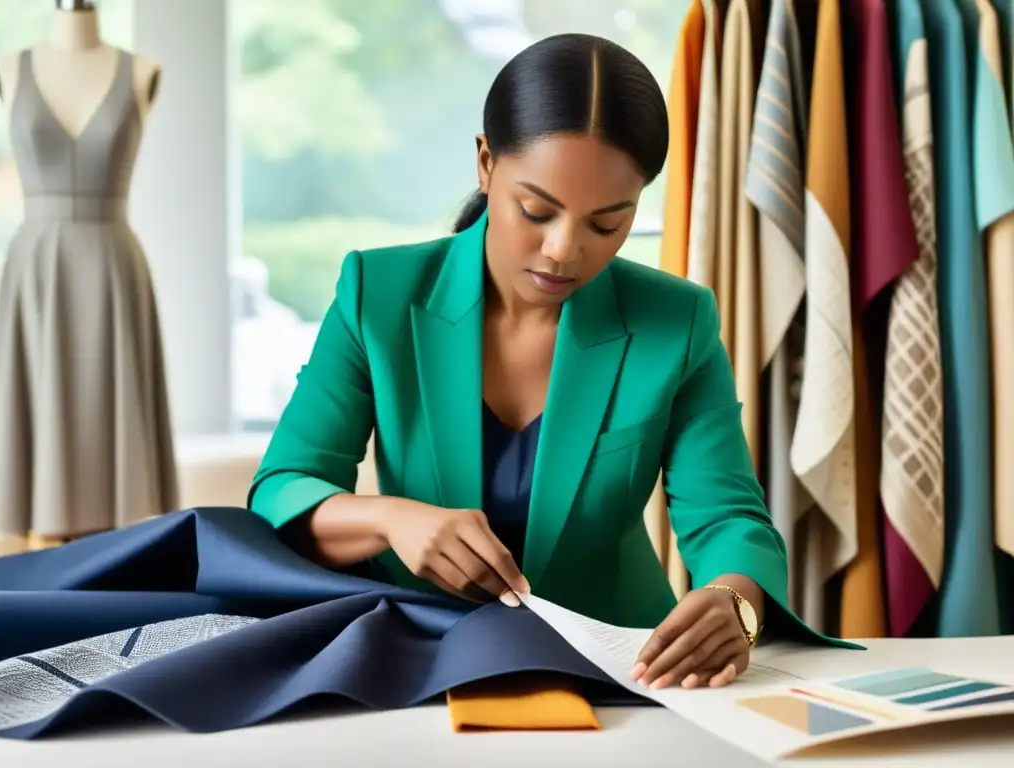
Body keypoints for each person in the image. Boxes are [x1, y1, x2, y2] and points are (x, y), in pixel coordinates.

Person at [249, 33, 833, 693]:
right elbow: (285, 486)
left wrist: (736, 602)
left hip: (625, 672)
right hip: (413, 664)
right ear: (485, 162)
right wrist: (390, 517)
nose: (563, 251)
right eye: (536, 210)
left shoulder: (677, 321)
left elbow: (726, 515)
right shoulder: (376, 296)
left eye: (606, 224)